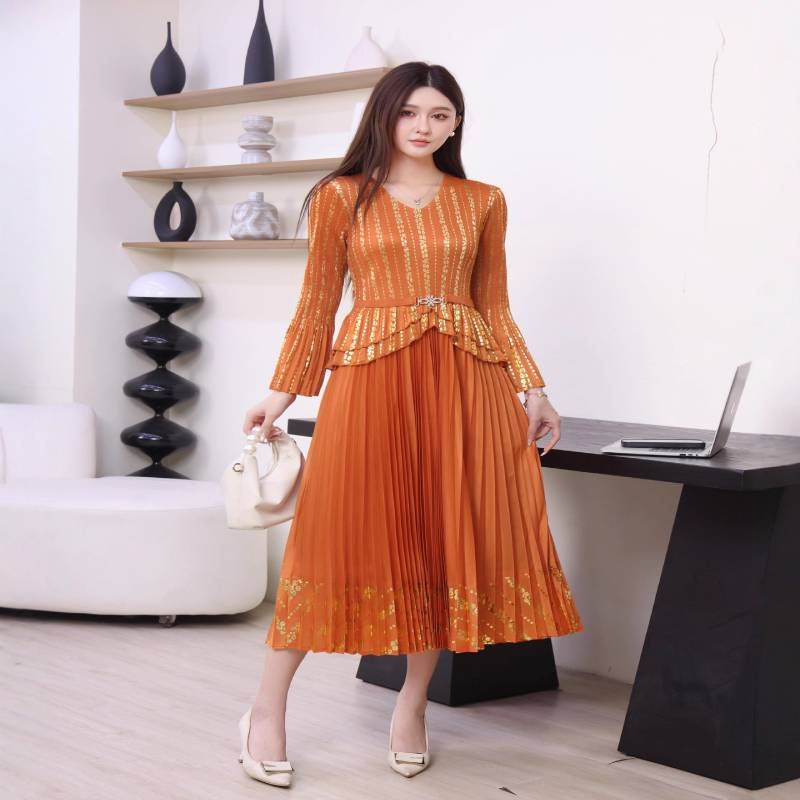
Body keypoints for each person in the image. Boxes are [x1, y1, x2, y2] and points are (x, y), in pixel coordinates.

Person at [237, 61, 584, 787]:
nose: (424, 126)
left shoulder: (483, 200)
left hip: (466, 383)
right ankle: (265, 712)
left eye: (440, 114)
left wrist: (534, 389)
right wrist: (282, 392)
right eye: (410, 112)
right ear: (384, 116)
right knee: (331, 540)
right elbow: (316, 304)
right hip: (370, 382)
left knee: (439, 542)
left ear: (456, 124)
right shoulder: (340, 197)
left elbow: (494, 305)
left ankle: (412, 706)